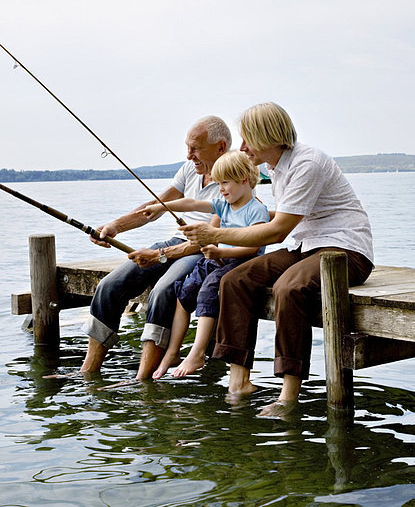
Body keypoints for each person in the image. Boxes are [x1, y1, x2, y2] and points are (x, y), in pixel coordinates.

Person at [179, 102, 374, 418]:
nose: (242, 148)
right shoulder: (274, 167)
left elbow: (276, 232)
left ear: (269, 137)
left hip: (346, 250)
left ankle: (288, 397)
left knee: (288, 288)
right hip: (306, 246)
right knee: (235, 280)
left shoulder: (307, 164)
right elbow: (282, 220)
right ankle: (238, 380)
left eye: (248, 140)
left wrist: (214, 236)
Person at [78, 115, 232, 378]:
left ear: (220, 147)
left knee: (162, 291)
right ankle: (88, 371)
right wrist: (115, 226)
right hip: (175, 243)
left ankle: (144, 378)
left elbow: (213, 239)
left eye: (195, 148)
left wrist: (160, 255)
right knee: (109, 285)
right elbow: (154, 208)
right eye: (187, 147)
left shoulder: (235, 179)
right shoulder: (190, 171)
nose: (188, 155)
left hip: (200, 251)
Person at [137, 151, 269, 380]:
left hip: (242, 262)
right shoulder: (223, 204)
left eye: (225, 183)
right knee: (185, 290)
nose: (221, 189)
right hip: (220, 257)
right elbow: (192, 202)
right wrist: (161, 207)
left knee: (208, 290)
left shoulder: (256, 210)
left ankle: (197, 353)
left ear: (244, 180)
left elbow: (253, 248)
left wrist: (219, 250)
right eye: (218, 184)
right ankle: (172, 352)